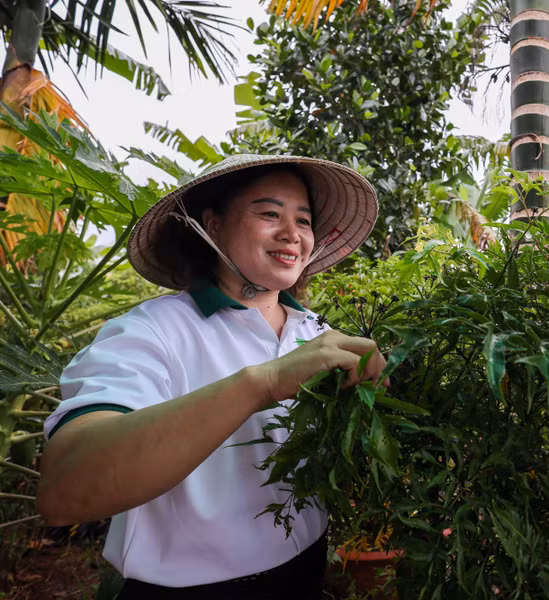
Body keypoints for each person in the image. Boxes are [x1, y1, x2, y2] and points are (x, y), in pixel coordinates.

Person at [37, 154, 384, 599]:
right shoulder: (151, 332)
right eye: (269, 213)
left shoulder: (315, 332)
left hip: (305, 573)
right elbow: (66, 488)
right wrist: (264, 383)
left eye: (303, 219)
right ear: (212, 224)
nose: (291, 234)